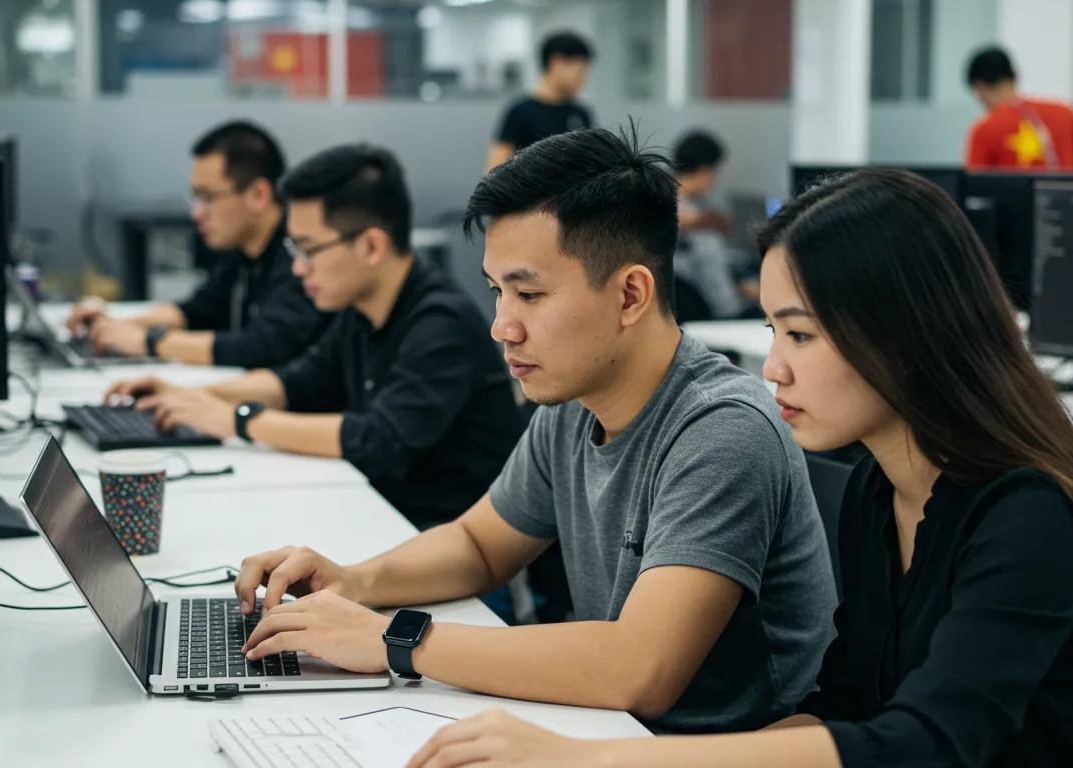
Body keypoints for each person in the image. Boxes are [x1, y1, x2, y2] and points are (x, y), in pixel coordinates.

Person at [405, 168, 1073, 768]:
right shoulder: (877, 492)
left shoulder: (1029, 515)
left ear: (904, 335)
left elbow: (927, 743)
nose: (774, 371)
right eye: (773, 332)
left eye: (801, 335)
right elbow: (850, 706)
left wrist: (595, 760)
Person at [234, 126, 837, 735]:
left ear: (630, 294)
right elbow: (479, 545)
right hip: (608, 732)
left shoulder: (722, 430)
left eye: (529, 293)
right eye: (498, 292)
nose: (502, 326)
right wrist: (355, 581)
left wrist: (394, 639)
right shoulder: (573, 404)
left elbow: (641, 669)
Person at [104, 143, 521, 529]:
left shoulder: (440, 323)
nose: (299, 268)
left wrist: (237, 421)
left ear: (372, 247)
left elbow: (377, 440)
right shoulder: (360, 310)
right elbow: (295, 382)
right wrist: (192, 397)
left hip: (444, 552)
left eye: (308, 250)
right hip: (380, 519)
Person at [67, 120, 329, 368]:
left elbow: (264, 345)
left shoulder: (297, 257)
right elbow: (195, 311)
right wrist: (114, 323)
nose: (197, 213)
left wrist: (150, 343)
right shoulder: (243, 252)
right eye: (195, 199)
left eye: (208, 198)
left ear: (258, 195)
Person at [964, 46, 1073, 172]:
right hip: (1065, 195)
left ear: (979, 87)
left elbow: (974, 185)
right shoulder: (1065, 112)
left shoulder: (984, 129)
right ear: (1014, 77)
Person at [671, 129, 758, 321]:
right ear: (705, 171)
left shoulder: (663, 197)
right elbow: (722, 301)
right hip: (707, 315)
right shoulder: (699, 226)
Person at [484, 32, 594, 173]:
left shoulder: (581, 114)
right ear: (557, 63)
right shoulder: (520, 113)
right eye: (580, 71)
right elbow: (494, 170)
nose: (584, 79)